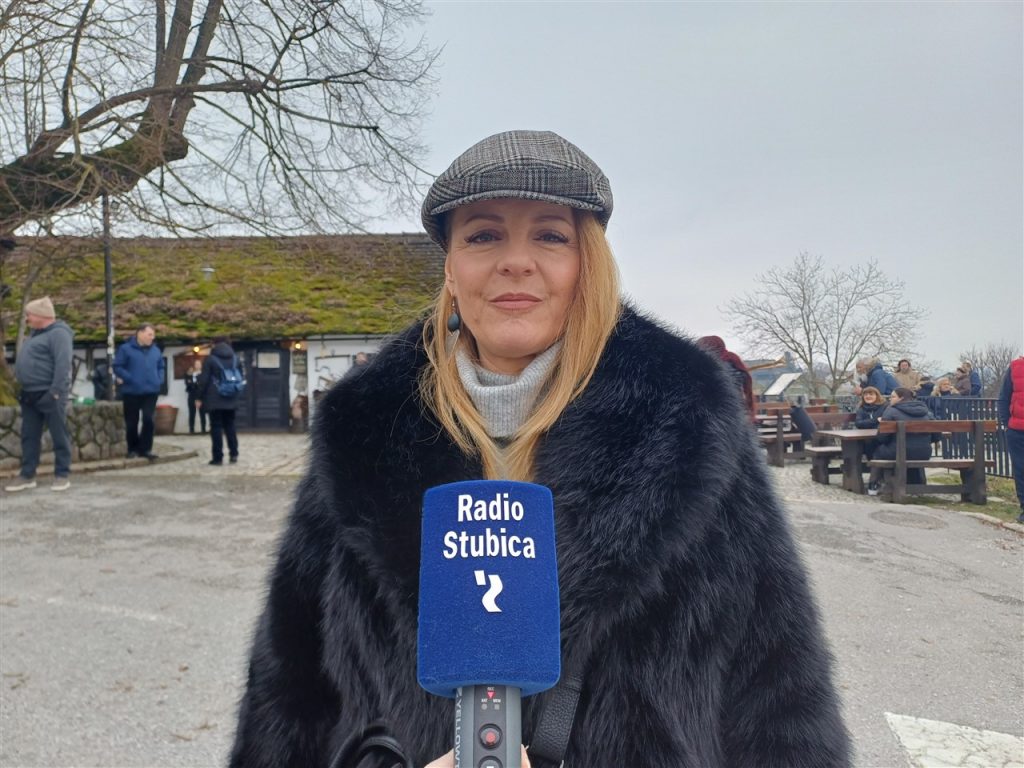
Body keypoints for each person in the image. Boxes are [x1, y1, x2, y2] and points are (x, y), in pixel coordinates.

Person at [229, 130, 850, 768]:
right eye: (483, 235)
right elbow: (289, 694)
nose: (516, 261)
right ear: (450, 268)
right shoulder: (362, 429)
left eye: (550, 236)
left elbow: (782, 692)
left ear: (588, 262)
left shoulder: (690, 418)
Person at [4, 297, 74, 492]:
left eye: (29, 315)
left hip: (49, 393)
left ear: (41, 315)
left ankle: (62, 474)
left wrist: (55, 392)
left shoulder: (59, 334)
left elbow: (63, 364)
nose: (27, 319)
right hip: (29, 394)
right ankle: (27, 475)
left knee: (59, 434)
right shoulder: (35, 335)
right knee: (29, 436)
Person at [866, 387, 934, 496]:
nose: (890, 399)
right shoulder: (926, 412)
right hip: (924, 453)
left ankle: (874, 485)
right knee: (912, 451)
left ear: (901, 398)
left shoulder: (891, 411)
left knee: (878, 452)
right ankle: (917, 485)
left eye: (893, 397)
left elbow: (882, 437)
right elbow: (936, 436)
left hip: (897, 452)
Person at [112, 323, 165, 460]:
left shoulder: (155, 350)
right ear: (140, 333)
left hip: (151, 391)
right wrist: (129, 378)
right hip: (131, 391)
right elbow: (117, 366)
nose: (152, 338)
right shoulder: (125, 349)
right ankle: (132, 449)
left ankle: (146, 449)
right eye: (149, 334)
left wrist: (159, 379)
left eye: (153, 335)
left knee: (148, 419)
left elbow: (161, 366)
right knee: (131, 422)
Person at [196, 338, 241, 465]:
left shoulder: (210, 359)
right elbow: (240, 377)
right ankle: (234, 454)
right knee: (230, 426)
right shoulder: (235, 359)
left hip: (214, 399)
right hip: (231, 397)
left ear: (215, 345)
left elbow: (204, 380)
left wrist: (199, 397)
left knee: (216, 427)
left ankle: (218, 457)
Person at [696, 335, 755, 417]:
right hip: (737, 411)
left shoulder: (716, 366)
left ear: (709, 348)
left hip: (721, 413)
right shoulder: (733, 362)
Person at [996, 357, 1024, 524]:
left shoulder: (1015, 366)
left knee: (1021, 470)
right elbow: (1004, 398)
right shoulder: (1015, 367)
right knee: (1020, 470)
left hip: (1016, 427)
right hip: (1017, 429)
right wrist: (1007, 424)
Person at [854, 386, 887, 460]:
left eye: (871, 394)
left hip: (882, 435)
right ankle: (870, 462)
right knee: (865, 442)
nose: (868, 396)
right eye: (865, 395)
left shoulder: (885, 406)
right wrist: (875, 420)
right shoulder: (861, 409)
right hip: (866, 437)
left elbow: (885, 420)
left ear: (877, 396)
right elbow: (858, 423)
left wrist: (868, 422)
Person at [184, 358, 207, 434]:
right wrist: (194, 383)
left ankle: (203, 429)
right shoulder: (190, 374)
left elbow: (203, 385)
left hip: (201, 395)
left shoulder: (203, 374)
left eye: (199, 364)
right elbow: (188, 384)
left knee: (202, 413)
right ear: (194, 365)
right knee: (192, 413)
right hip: (192, 395)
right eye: (196, 364)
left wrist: (194, 384)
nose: (197, 365)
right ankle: (191, 430)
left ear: (201, 365)